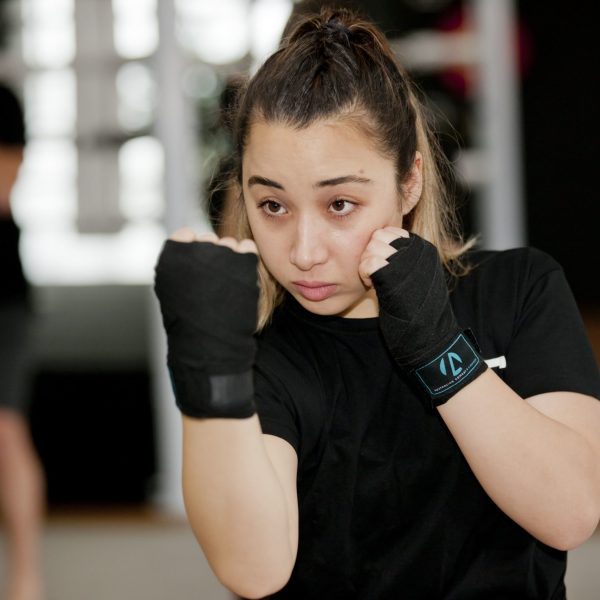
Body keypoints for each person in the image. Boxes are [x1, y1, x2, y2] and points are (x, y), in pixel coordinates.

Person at [154, 7, 600, 599]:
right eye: (274, 206)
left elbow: (570, 512)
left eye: (340, 204)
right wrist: (209, 369)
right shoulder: (265, 358)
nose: (305, 251)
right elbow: (252, 570)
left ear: (409, 181)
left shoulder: (518, 290)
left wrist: (440, 348)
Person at [0, 82, 46, 600]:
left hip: (4, 299)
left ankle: (25, 580)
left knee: (6, 428)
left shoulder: (4, 100)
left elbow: (4, 186)